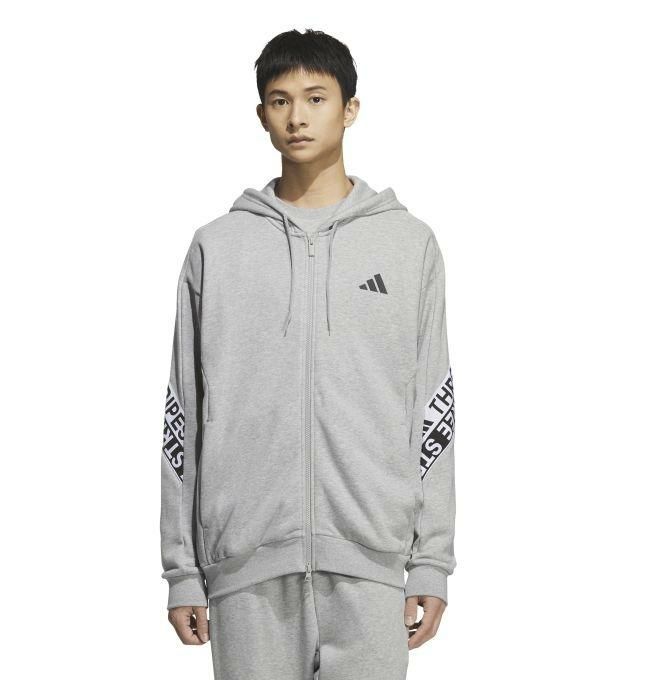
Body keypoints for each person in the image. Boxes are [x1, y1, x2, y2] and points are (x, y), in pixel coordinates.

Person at [160, 28, 457, 679]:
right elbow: (183, 414)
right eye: (280, 100)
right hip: (246, 571)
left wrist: (431, 559)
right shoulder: (218, 247)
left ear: (350, 109)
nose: (297, 116)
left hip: (373, 565)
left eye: (316, 98)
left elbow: (433, 408)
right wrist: (182, 570)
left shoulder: (407, 245)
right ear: (261, 114)